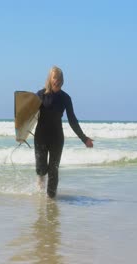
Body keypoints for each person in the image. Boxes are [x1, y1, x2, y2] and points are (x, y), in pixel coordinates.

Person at [34, 66, 93, 198]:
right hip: (41, 137)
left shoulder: (65, 98)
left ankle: (51, 201)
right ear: (50, 78)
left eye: (60, 78)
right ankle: (40, 183)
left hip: (57, 138)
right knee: (42, 169)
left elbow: (72, 120)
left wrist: (84, 139)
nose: (58, 80)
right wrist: (20, 133)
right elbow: (28, 116)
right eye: (55, 77)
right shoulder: (40, 95)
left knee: (54, 170)